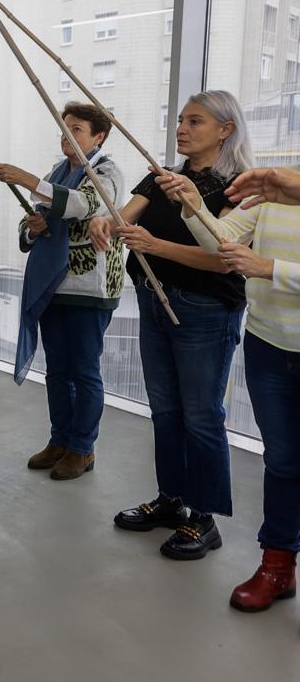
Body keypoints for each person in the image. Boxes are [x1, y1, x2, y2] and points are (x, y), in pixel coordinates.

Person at [90, 91, 253, 560]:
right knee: (165, 408)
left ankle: (204, 517)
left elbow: (225, 260)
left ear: (225, 129)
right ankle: (173, 500)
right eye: (181, 120)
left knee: (201, 414)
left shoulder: (238, 185)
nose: (182, 128)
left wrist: (155, 246)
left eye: (196, 121)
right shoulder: (165, 176)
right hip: (153, 299)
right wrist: (106, 222)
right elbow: (127, 215)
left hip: (205, 309)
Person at [161, 156, 300, 610]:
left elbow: (256, 264)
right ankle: (277, 566)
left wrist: (269, 269)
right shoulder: (277, 190)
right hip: (269, 346)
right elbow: (223, 241)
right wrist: (193, 204)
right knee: (280, 462)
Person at [0, 102, 125, 481]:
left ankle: (83, 448)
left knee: (84, 369)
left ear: (98, 136)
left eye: (77, 129)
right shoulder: (58, 171)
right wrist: (34, 227)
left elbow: (85, 205)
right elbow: (36, 220)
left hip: (90, 287)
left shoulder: (107, 172)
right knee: (57, 370)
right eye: (65, 129)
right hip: (54, 283)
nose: (67, 136)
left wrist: (29, 181)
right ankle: (60, 439)